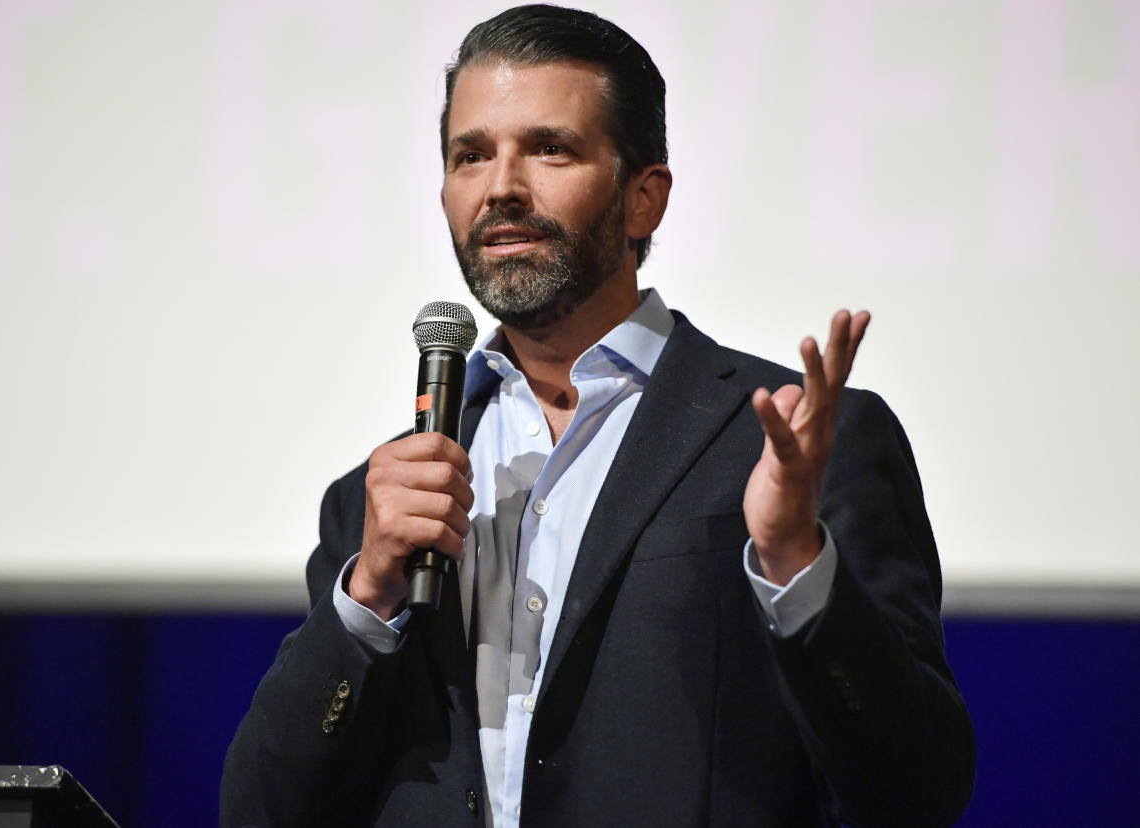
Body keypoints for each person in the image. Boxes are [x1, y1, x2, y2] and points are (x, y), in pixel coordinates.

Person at [221, 5, 976, 826]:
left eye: (549, 149)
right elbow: (262, 811)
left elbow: (918, 789)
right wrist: (367, 596)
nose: (502, 187)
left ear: (643, 198)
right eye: (470, 155)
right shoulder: (382, 500)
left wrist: (797, 562)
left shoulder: (789, 446)